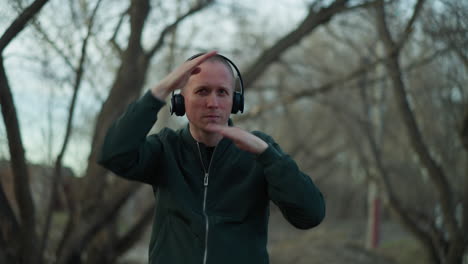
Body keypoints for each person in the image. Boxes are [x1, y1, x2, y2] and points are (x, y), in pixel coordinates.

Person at [98, 51, 325, 264]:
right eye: (202, 91)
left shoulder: (260, 151)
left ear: (235, 102)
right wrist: (161, 89)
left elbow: (310, 215)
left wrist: (268, 156)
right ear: (180, 102)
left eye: (222, 92)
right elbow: (114, 154)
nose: (213, 103)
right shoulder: (165, 148)